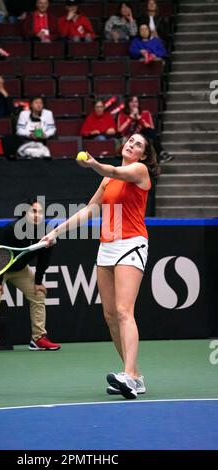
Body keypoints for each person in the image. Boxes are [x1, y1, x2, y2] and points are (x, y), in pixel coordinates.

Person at [41, 133, 159, 399]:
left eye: (138, 144)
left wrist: (93, 163)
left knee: (123, 310)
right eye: (130, 141)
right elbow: (90, 210)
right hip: (107, 246)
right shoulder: (108, 180)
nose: (132, 145)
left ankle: (127, 375)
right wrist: (55, 232)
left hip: (132, 243)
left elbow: (114, 169)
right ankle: (136, 377)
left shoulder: (138, 171)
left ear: (143, 155)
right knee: (109, 315)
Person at [0, 198, 61, 353]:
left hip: (20, 269)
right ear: (25, 213)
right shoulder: (11, 229)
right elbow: (1, 255)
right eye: (33, 211)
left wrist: (38, 281)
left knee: (38, 295)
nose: (37, 215)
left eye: (40, 212)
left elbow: (44, 259)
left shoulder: (46, 232)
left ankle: (38, 339)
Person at [117, 95, 173, 162]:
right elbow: (120, 130)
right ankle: (159, 156)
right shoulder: (122, 114)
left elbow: (151, 128)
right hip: (129, 137)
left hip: (142, 136)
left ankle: (161, 154)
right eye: (131, 102)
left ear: (138, 103)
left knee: (149, 132)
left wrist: (139, 117)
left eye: (136, 102)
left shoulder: (145, 113)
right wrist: (130, 118)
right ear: (128, 103)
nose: (134, 104)